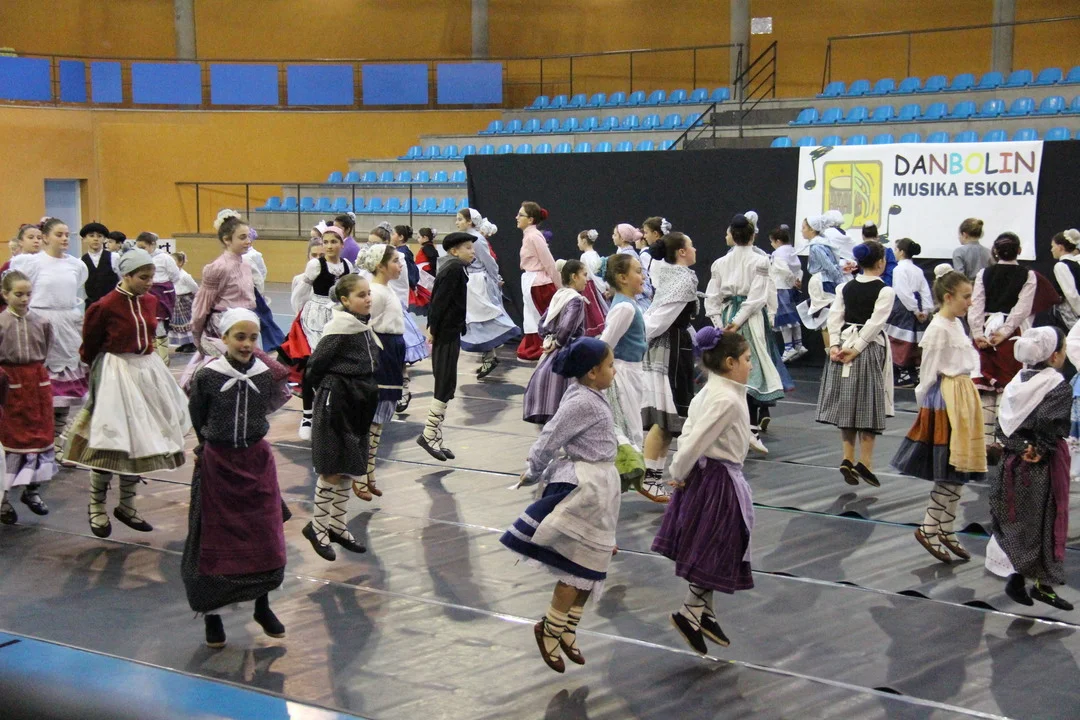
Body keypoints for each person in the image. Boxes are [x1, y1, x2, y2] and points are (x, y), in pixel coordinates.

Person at [499, 337, 619, 673]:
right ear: (592, 372)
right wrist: (533, 470)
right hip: (586, 487)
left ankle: (567, 627)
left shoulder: (592, 396)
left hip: (602, 487)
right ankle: (551, 627)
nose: (615, 371)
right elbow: (550, 437)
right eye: (610, 365)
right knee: (576, 566)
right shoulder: (582, 401)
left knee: (593, 564)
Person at [63, 246, 191, 537]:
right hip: (115, 372)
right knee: (111, 439)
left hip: (146, 371)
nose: (149, 282)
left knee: (141, 438)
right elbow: (90, 345)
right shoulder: (105, 306)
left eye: (151, 276)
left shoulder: (150, 301)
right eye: (143, 277)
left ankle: (127, 504)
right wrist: (98, 374)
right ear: (127, 275)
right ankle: (96, 506)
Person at [183, 308, 291, 648]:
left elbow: (280, 379)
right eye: (239, 337)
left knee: (264, 535)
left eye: (253, 338)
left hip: (255, 461)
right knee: (213, 538)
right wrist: (205, 448)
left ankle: (262, 604)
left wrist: (264, 356)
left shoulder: (264, 374)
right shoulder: (208, 375)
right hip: (219, 462)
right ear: (224, 338)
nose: (246, 344)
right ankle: (212, 614)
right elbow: (198, 414)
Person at [652, 326, 755, 654]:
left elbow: (694, 431)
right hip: (717, 481)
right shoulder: (726, 399)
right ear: (729, 362)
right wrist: (678, 471)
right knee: (717, 544)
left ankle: (703, 612)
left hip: (709, 475)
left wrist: (749, 439)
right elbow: (696, 439)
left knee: (715, 543)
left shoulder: (716, 391)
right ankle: (691, 611)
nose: (751, 364)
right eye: (746, 359)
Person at [891, 266, 986, 563]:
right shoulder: (938, 328)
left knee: (960, 467)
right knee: (950, 467)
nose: (970, 302)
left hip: (962, 394)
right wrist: (926, 408)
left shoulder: (956, 324)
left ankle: (945, 527)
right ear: (948, 297)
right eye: (965, 296)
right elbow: (928, 373)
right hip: (947, 399)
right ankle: (929, 527)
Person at [990, 326, 1073, 611]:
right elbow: (1049, 424)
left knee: (1015, 518)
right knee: (1046, 520)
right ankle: (1041, 583)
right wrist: (1038, 448)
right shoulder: (1056, 385)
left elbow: (1002, 425)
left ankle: (1019, 578)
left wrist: (1019, 445)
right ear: (1054, 356)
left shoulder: (1016, 382)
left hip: (1012, 464)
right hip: (1041, 466)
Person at [302, 274, 379, 561]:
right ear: (345, 300)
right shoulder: (339, 328)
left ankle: (337, 525)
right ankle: (317, 527)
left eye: (368, 293)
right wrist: (327, 393)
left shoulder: (363, 325)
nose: (368, 298)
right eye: (361, 295)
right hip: (337, 400)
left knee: (349, 466)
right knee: (332, 466)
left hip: (359, 399)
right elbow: (314, 367)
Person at [816, 241, 895, 487]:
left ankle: (847, 457)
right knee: (868, 403)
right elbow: (875, 323)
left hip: (844, 346)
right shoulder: (885, 291)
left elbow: (834, 317)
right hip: (865, 349)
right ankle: (865, 462)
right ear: (881, 262)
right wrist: (857, 347)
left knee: (847, 402)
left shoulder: (845, 287)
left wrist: (835, 345)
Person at [706, 215, 785, 444]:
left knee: (729, 369)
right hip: (749, 320)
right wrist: (736, 322)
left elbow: (712, 297)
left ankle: (735, 426)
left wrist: (720, 325)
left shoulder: (721, 263)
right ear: (753, 236)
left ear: (733, 235)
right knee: (749, 369)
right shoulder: (759, 261)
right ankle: (748, 427)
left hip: (729, 317)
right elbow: (757, 298)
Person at [10, 218, 89, 447]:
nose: (64, 239)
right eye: (59, 234)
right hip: (38, 325)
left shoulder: (76, 265)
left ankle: (55, 439)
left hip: (67, 327)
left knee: (63, 392)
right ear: (45, 237)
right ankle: (35, 436)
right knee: (38, 385)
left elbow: (75, 289)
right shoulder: (31, 263)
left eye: (67, 235)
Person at [641, 233, 699, 501]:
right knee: (665, 418)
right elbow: (660, 319)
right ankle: (649, 478)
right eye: (691, 245)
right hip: (670, 350)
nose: (695, 248)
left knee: (670, 421)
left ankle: (653, 477)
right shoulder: (682, 279)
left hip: (674, 345)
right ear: (682, 252)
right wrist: (638, 338)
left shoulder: (671, 274)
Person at [969, 233, 1038, 454]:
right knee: (1007, 386)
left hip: (987, 329)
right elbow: (1022, 309)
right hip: (1011, 334)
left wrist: (978, 333)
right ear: (1019, 251)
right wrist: (1005, 332)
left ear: (995, 251)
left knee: (987, 386)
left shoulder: (985, 273)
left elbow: (975, 305)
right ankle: (1001, 441)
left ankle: (984, 442)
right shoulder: (1028, 275)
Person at [0, 270, 56, 523]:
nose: (24, 299)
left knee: (39, 436)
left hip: (36, 383)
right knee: (10, 440)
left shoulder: (41, 322)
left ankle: (32, 490)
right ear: (5, 294)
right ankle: (3, 499)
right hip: (9, 382)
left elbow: (46, 348)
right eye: (18, 294)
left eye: (28, 294)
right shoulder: (2, 323)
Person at [416, 232, 473, 461]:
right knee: (444, 383)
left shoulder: (454, 267)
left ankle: (434, 434)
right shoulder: (454, 269)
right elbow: (439, 302)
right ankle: (428, 434)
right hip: (446, 333)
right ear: (454, 251)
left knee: (447, 383)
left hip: (449, 332)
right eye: (468, 247)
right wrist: (433, 328)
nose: (472, 251)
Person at [358, 243, 408, 498]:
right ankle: (359, 473)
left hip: (391, 352)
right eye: (396, 261)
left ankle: (368, 471)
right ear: (380, 265)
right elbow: (364, 324)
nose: (400, 265)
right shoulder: (376, 292)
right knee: (373, 417)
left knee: (380, 419)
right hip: (382, 352)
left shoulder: (386, 289)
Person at [295, 225, 353, 440]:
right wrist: (299, 314)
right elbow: (300, 292)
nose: (329, 246)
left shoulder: (347, 266)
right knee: (313, 363)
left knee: (336, 365)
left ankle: (332, 409)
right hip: (316, 317)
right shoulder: (315, 265)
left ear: (342, 244)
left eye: (333, 242)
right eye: (326, 242)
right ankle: (307, 414)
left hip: (337, 316)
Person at [598, 253, 649, 498]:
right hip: (623, 372)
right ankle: (619, 477)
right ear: (622, 278)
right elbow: (605, 343)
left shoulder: (627, 304)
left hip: (630, 370)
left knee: (631, 427)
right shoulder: (626, 308)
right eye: (638, 272)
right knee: (629, 428)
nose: (643, 276)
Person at [523, 260, 590, 425]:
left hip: (551, 351)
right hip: (569, 351)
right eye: (584, 275)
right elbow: (568, 326)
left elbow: (542, 323)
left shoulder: (559, 295)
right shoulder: (576, 300)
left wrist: (550, 339)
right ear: (574, 277)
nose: (587, 279)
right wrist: (559, 341)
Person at [456, 209, 521, 377]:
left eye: (460, 219)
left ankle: (489, 356)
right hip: (472, 281)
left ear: (470, 221)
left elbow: (489, 262)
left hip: (478, 282)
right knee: (479, 320)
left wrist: (494, 279)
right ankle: (488, 356)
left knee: (484, 318)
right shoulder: (468, 238)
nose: (457, 222)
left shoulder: (476, 239)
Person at [885, 238, 933, 388]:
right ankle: (913, 376)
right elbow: (925, 290)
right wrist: (925, 310)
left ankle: (898, 376)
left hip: (903, 308)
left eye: (896, 249)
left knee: (898, 342)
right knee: (913, 344)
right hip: (915, 306)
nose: (894, 252)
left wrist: (915, 310)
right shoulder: (917, 270)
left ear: (901, 252)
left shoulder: (899, 269)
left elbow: (902, 292)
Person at [517, 202, 561, 361]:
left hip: (539, 284)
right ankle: (536, 346)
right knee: (532, 316)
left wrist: (560, 286)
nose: (517, 217)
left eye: (520, 215)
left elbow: (548, 262)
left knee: (541, 317)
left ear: (530, 219)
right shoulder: (530, 236)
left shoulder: (534, 236)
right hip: (532, 282)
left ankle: (543, 346)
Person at [795, 214, 845, 343]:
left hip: (822, 283)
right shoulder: (822, 243)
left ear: (812, 229)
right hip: (824, 282)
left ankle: (830, 350)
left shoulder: (817, 246)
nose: (802, 230)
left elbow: (829, 266)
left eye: (804, 227)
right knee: (828, 317)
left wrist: (841, 283)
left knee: (825, 319)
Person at [135, 231, 181, 362]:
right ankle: (150, 357)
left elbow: (175, 275)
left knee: (160, 325)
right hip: (144, 293)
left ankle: (164, 360)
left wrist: (161, 287)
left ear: (153, 245)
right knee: (145, 323)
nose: (141, 251)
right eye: (138, 248)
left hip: (161, 295)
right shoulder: (139, 259)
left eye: (143, 247)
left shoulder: (165, 258)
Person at [769, 225, 807, 362]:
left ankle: (789, 347)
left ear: (778, 241)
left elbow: (783, 269)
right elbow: (799, 269)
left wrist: (791, 279)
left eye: (772, 242)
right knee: (793, 317)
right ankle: (798, 344)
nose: (772, 245)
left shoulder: (778, 254)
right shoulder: (792, 251)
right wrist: (797, 281)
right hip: (792, 288)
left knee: (784, 318)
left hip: (781, 287)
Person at [574, 230, 608, 337]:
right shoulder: (595, 254)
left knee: (594, 308)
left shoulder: (584, 256)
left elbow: (593, 274)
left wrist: (602, 288)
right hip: (595, 285)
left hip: (590, 287)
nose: (577, 244)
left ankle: (598, 330)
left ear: (584, 241)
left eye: (578, 241)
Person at [79, 222, 118, 308]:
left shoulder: (114, 257)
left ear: (105, 239)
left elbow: (121, 281)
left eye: (99, 236)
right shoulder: (80, 262)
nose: (95, 239)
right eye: (91, 236)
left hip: (113, 305)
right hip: (91, 306)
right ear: (84, 239)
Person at [1050, 229, 1080, 330]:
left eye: (1053, 246)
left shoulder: (1061, 266)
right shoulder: (1076, 263)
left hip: (1070, 313)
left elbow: (1071, 294)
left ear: (1060, 247)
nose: (1052, 250)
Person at [169, 251, 198, 353]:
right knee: (177, 322)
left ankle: (192, 344)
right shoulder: (171, 275)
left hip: (185, 301)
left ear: (180, 263)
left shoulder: (185, 276)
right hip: (175, 301)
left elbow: (195, 287)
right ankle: (184, 343)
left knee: (186, 322)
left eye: (174, 261)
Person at [410, 227, 438, 314]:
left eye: (419, 237)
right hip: (424, 273)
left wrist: (430, 270)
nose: (417, 239)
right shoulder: (427, 247)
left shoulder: (427, 247)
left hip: (426, 275)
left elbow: (434, 259)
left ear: (425, 238)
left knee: (426, 292)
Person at [860, 222, 897, 286]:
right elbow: (891, 273)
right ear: (877, 236)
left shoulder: (859, 252)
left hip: (861, 286)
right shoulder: (887, 251)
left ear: (863, 236)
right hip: (882, 286)